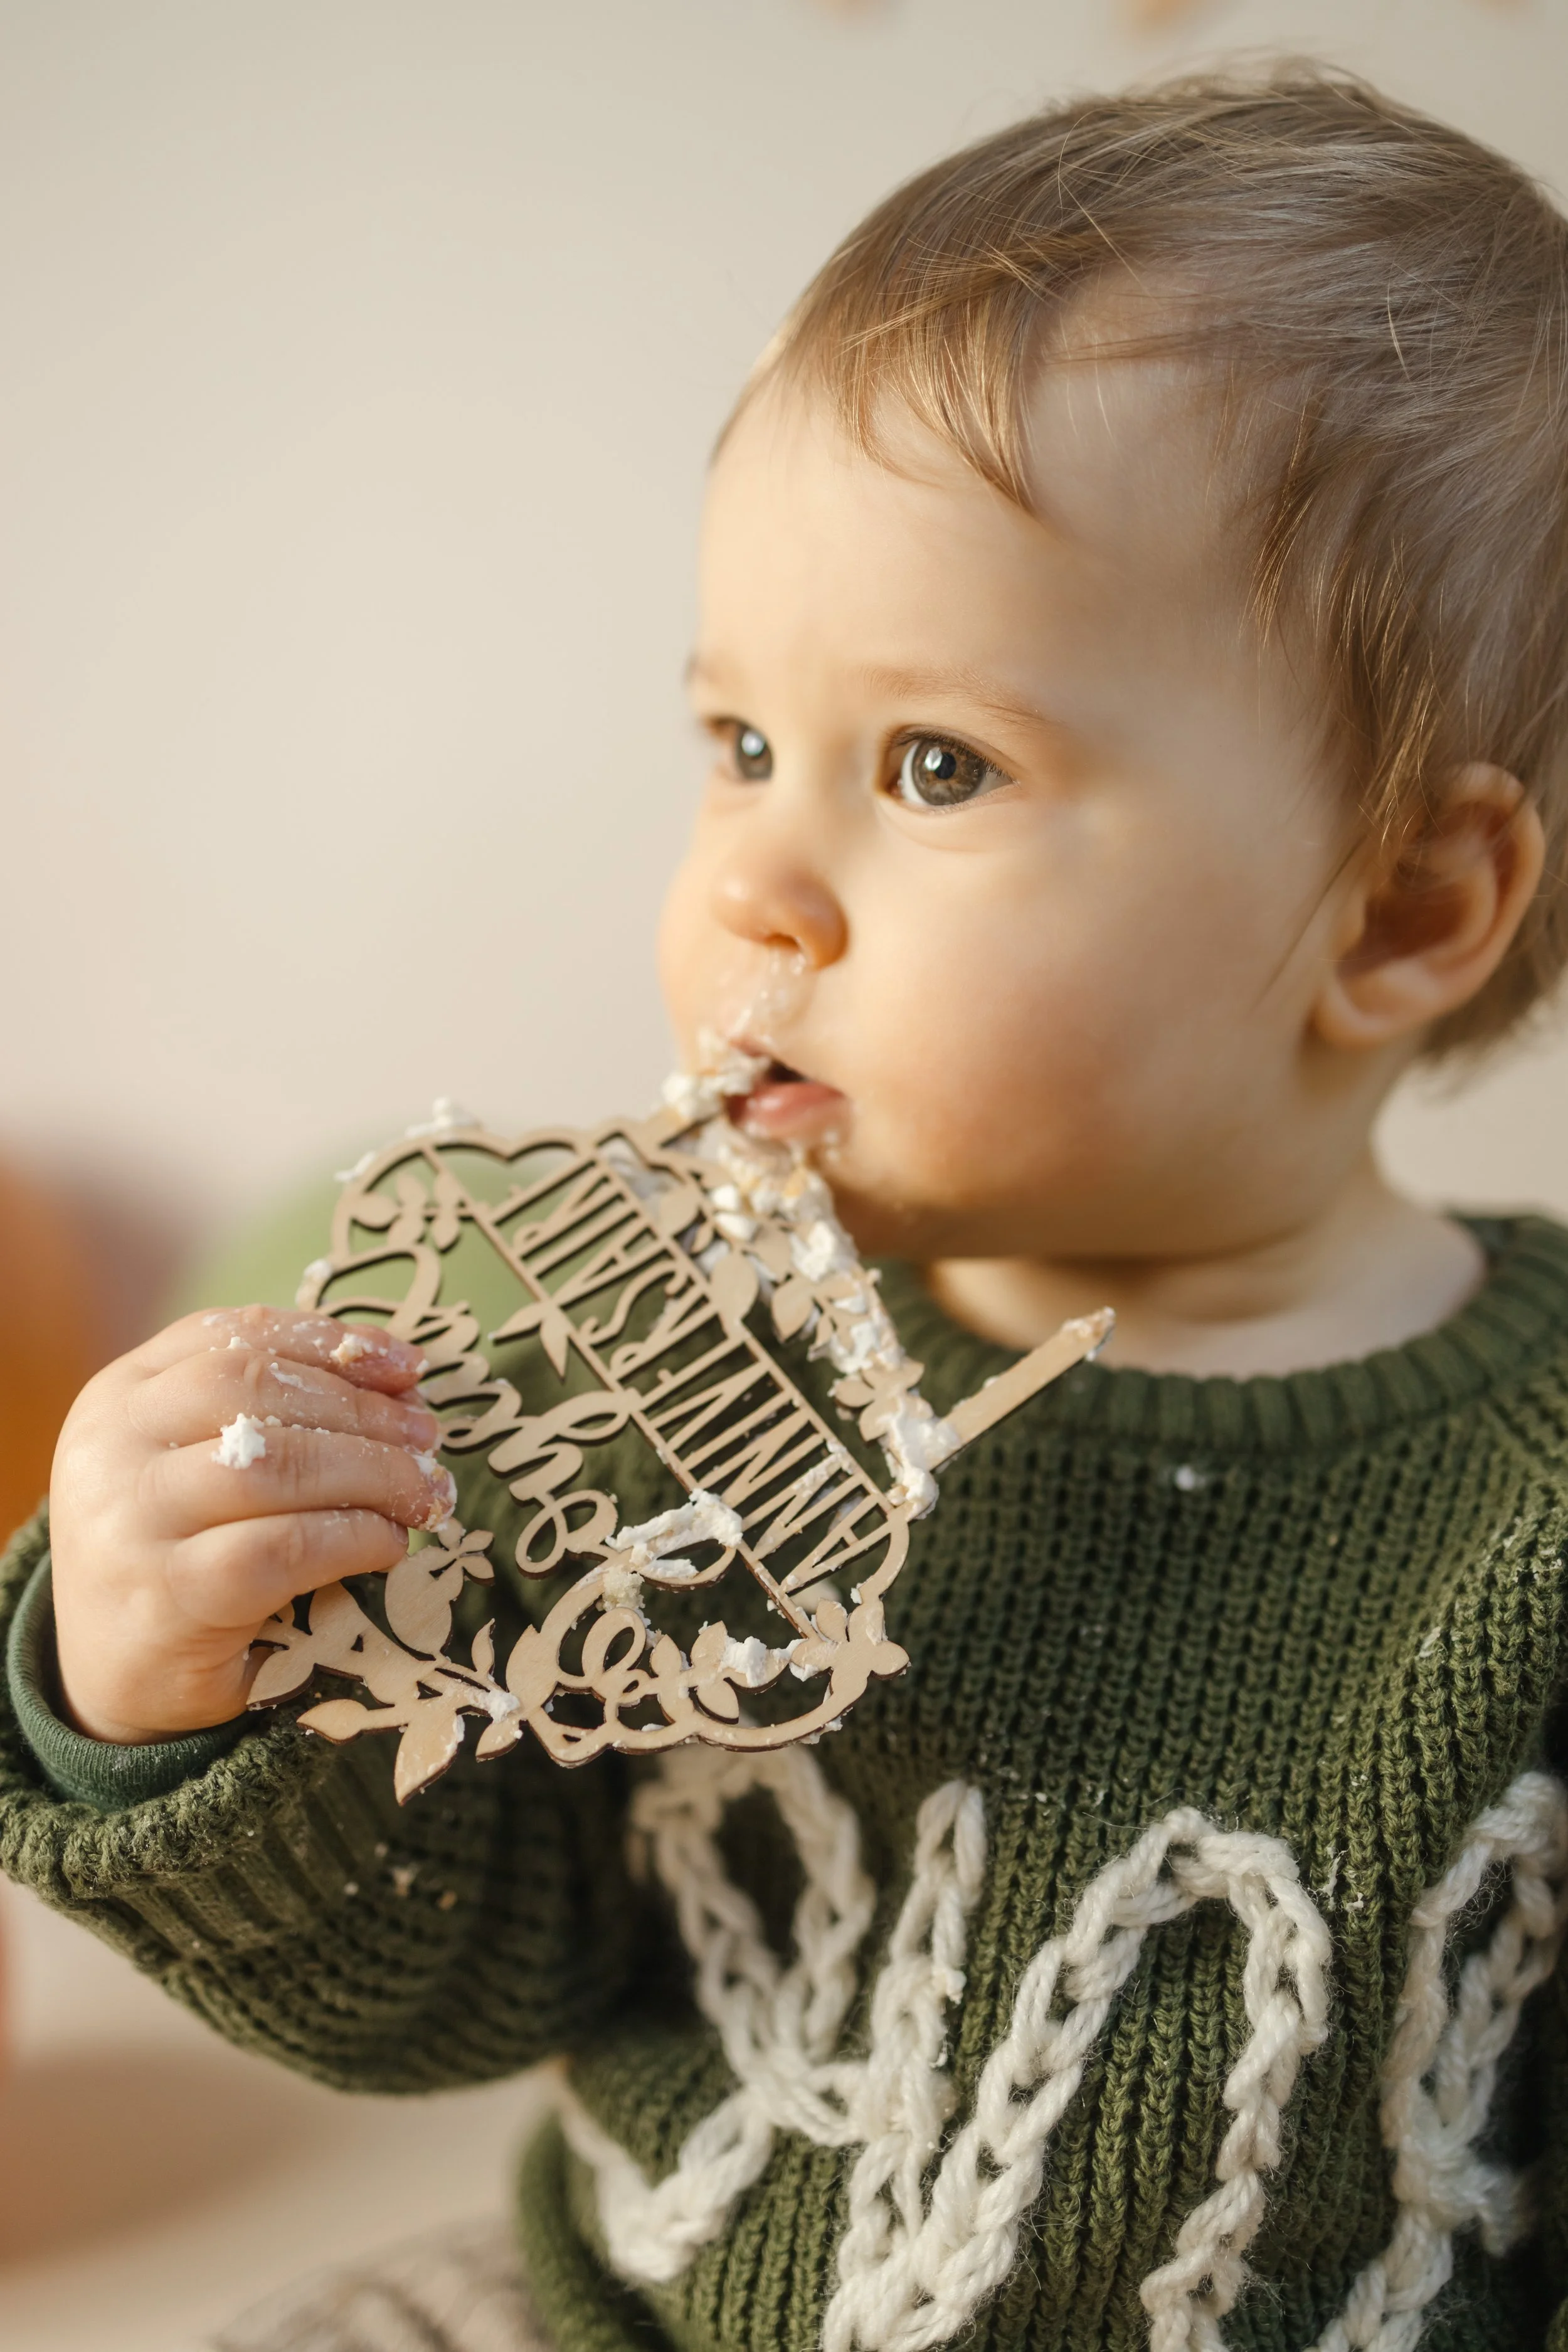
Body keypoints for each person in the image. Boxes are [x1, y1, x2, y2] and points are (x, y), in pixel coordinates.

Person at [5, 65, 1568, 2352]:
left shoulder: (1527, 1506)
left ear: (1405, 902)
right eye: (736, 744)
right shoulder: (634, 1374)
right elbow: (440, 1978)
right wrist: (174, 1695)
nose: (750, 880)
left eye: (935, 764)